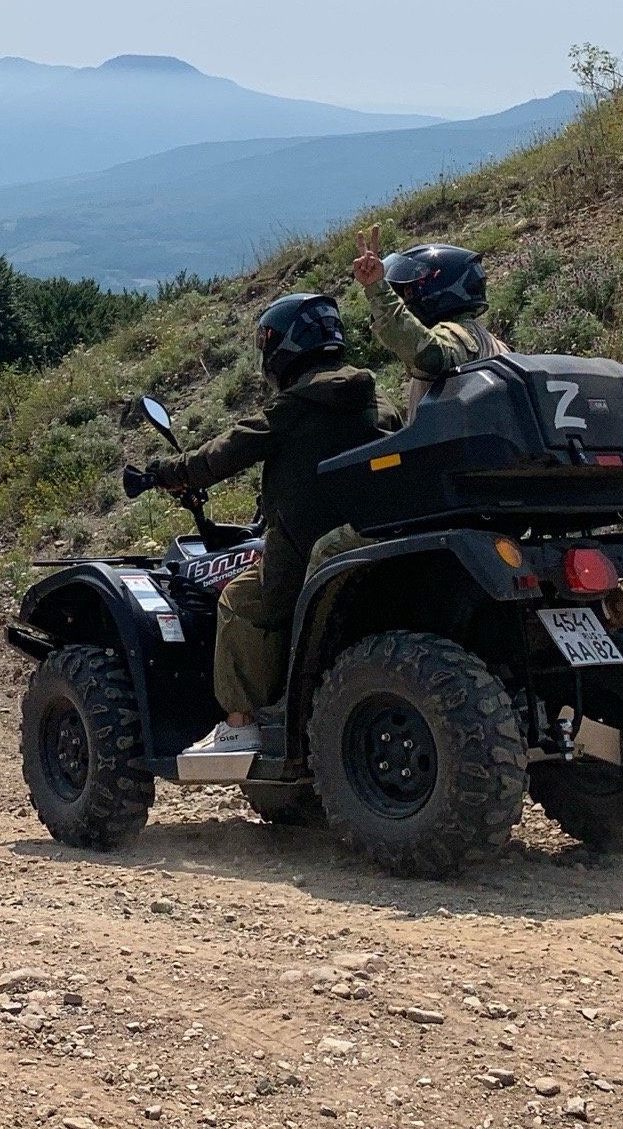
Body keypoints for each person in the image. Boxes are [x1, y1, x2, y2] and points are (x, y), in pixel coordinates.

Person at [119, 293, 383, 761]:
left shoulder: (294, 407)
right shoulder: (375, 403)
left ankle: (241, 724)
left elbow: (220, 455)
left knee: (240, 602)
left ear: (280, 349)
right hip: (372, 537)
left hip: (305, 548)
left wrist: (162, 471)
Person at [352, 229, 506, 412]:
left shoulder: (462, 334)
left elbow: (430, 354)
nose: (404, 300)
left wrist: (378, 290)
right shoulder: (486, 340)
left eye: (409, 291)